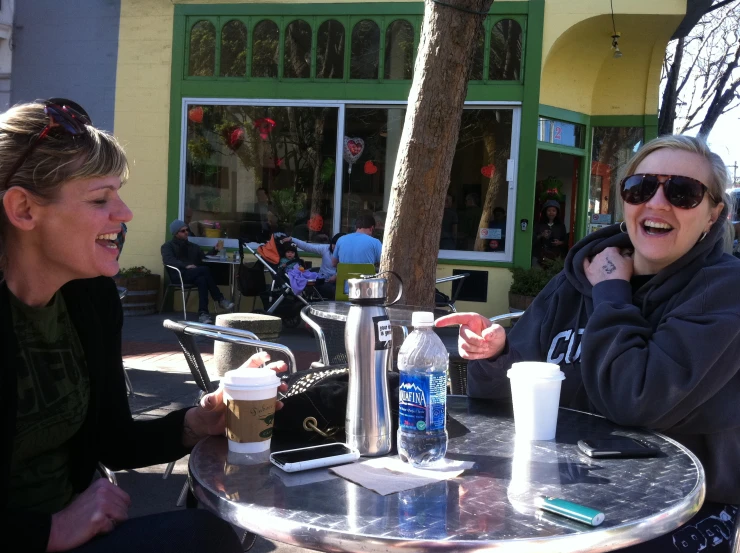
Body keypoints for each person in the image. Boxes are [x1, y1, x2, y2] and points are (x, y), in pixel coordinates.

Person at [0, 99, 289, 553]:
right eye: (100, 198)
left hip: (77, 537)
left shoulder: (89, 299)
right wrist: (49, 530)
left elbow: (114, 442)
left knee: (208, 536)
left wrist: (200, 420)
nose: (125, 214)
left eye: (118, 193)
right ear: (23, 209)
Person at [437, 135, 739, 551]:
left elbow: (636, 399)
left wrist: (612, 292)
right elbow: (502, 402)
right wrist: (498, 353)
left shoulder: (723, 291)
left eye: (683, 193)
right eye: (641, 188)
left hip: (678, 513)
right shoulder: (575, 279)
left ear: (713, 214)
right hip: (555, 496)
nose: (657, 202)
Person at [161, 219, 234, 324]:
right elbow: (168, 260)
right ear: (175, 233)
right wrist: (185, 265)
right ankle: (220, 299)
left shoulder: (193, 246)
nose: (186, 232)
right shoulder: (168, 246)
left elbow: (203, 258)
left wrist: (215, 250)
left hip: (194, 275)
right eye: (183, 231)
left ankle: (203, 314)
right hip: (179, 275)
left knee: (202, 279)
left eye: (187, 230)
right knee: (204, 270)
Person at [281, 232, 345, 298]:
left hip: (341, 281)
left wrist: (337, 275)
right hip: (324, 280)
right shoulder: (325, 248)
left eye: (338, 245)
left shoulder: (348, 254)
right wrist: (292, 239)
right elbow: (307, 247)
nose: (334, 246)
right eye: (333, 243)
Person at [532, 199, 567, 265]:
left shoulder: (561, 225)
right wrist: (541, 235)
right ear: (545, 212)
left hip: (555, 257)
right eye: (549, 210)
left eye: (554, 211)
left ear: (557, 212)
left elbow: (565, 240)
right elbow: (532, 239)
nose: (551, 213)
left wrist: (560, 242)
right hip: (539, 255)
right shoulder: (539, 224)